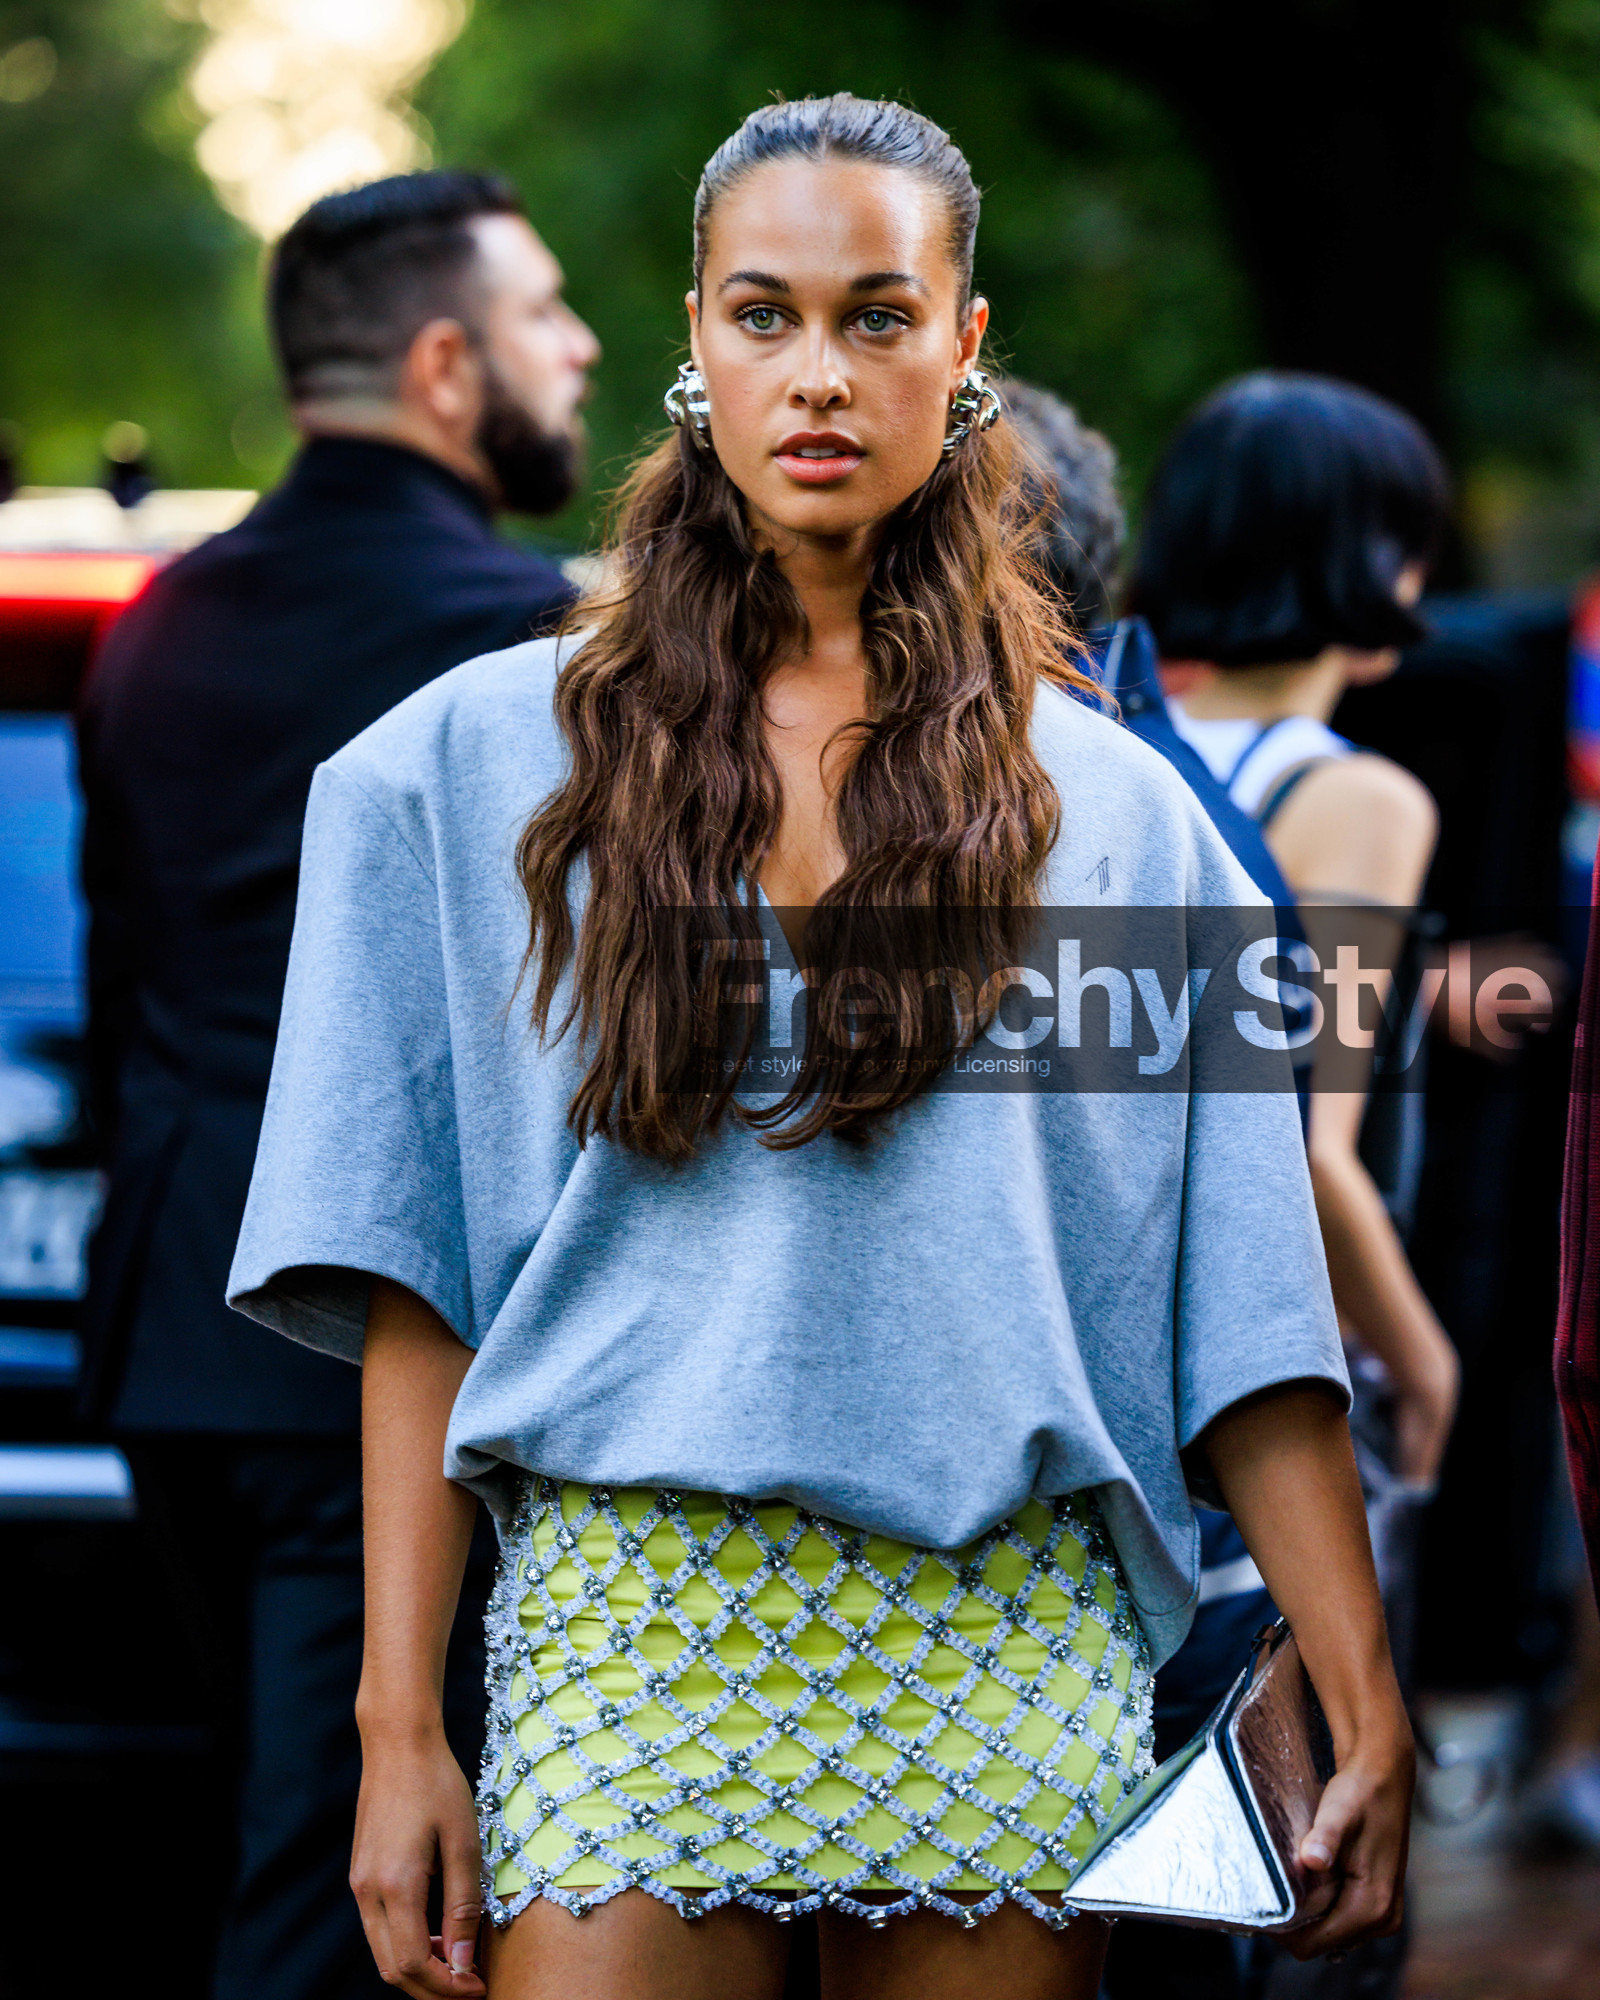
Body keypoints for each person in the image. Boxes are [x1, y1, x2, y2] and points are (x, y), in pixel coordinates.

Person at [229, 97, 1412, 2000]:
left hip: (1012, 1652)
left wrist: (1361, 1687)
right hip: (627, 1649)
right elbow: (418, 1292)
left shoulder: (1123, 822)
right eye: (763, 314)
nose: (819, 374)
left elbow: (1247, 1317)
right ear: (693, 338)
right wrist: (396, 1729)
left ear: (965, 347)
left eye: (879, 315)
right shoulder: (451, 773)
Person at [77, 169, 599, 2000]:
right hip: (378, 1350)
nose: (587, 348)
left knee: (268, 1821)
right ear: (448, 365)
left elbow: (124, 983)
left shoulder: (152, 625)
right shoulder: (538, 656)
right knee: (345, 1890)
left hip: (160, 1342)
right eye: (549, 316)